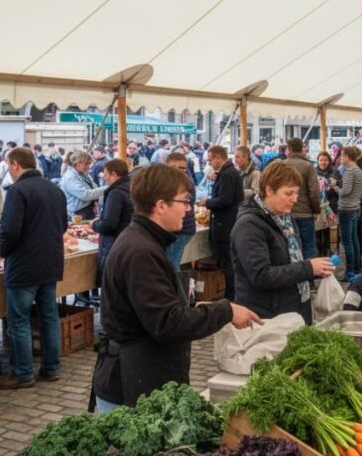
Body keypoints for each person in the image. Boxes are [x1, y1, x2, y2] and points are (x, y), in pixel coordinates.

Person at [93, 165, 260, 412]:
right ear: (161, 205)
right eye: (184, 201)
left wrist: (195, 309)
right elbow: (168, 323)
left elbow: (155, 309)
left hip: (141, 376)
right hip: (132, 386)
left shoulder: (145, 241)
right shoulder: (141, 252)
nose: (189, 208)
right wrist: (225, 311)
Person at [0, 148, 69, 389]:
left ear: (15, 164)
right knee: (49, 317)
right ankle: (51, 368)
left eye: (8, 166)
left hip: (25, 265)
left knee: (19, 320)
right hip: (50, 261)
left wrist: (1, 250)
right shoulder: (54, 189)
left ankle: (22, 373)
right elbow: (63, 225)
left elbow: (9, 230)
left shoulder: (17, 191)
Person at [231, 161, 335, 323]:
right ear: (269, 190)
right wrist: (308, 268)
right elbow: (260, 275)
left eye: (296, 193)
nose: (295, 199)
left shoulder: (286, 217)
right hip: (267, 315)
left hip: (293, 309)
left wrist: (314, 269)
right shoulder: (249, 225)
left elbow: (292, 260)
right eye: (288, 193)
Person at [204, 145, 244, 301]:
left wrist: (207, 202)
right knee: (229, 263)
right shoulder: (229, 172)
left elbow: (225, 199)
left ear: (218, 158)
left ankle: (231, 296)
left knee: (227, 264)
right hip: (227, 223)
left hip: (225, 225)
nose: (209, 163)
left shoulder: (227, 174)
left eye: (210, 160)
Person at [91, 158, 134, 285]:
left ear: (114, 174)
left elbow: (109, 224)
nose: (105, 178)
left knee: (111, 286)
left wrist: (95, 224)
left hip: (114, 245)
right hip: (128, 241)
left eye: (106, 175)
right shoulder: (132, 187)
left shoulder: (116, 193)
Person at [284, 138, 321, 259]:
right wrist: (316, 210)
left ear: (289, 149)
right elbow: (314, 191)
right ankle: (309, 276)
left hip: (286, 213)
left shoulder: (282, 165)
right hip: (305, 213)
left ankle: (295, 275)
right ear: (302, 149)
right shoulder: (308, 166)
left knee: (289, 246)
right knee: (309, 246)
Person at [165, 152, 196, 273]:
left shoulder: (185, 183)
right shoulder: (172, 181)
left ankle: (174, 291)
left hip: (181, 230)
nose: (179, 171)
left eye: (182, 168)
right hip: (177, 228)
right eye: (174, 167)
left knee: (172, 265)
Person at [337, 147, 362, 279]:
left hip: (346, 209)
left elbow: (344, 192)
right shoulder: (358, 170)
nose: (341, 159)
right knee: (354, 241)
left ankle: (350, 272)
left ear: (347, 157)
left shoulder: (349, 171)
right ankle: (357, 269)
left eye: (342, 156)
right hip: (355, 208)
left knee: (347, 242)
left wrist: (334, 186)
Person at [60, 150, 107, 221]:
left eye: (89, 164)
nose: (88, 167)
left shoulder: (84, 174)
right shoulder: (70, 177)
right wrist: (108, 188)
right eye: (86, 164)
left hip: (87, 212)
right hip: (77, 214)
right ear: (76, 163)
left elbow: (94, 188)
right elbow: (85, 195)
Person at [315, 150, 340, 257]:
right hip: (318, 206)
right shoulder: (313, 172)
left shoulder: (334, 171)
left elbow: (340, 185)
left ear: (329, 161)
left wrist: (333, 185)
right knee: (317, 230)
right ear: (317, 161)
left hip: (331, 205)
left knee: (329, 229)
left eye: (325, 160)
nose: (323, 162)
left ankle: (330, 250)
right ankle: (320, 251)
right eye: (321, 160)